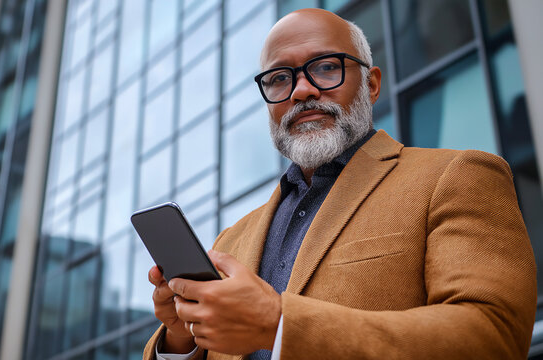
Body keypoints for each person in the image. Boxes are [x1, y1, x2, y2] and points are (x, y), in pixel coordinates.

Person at [144, 8, 537, 360]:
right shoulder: (230, 240)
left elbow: (493, 337)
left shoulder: (455, 176)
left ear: (371, 84)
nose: (302, 90)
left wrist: (280, 324)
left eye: (326, 67)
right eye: (280, 78)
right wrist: (183, 339)